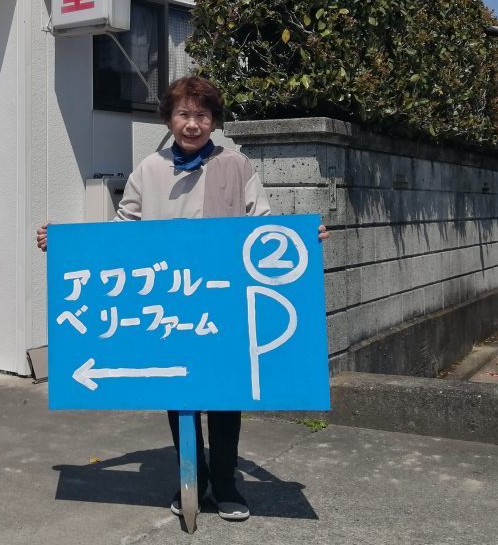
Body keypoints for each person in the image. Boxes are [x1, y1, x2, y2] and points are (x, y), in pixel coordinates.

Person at [37, 75, 327, 521]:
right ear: (170, 119)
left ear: (214, 120)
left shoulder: (236, 165)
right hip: (172, 304)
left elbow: (261, 224)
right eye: (184, 114)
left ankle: (227, 482)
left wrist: (302, 240)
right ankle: (193, 476)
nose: (193, 123)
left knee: (228, 394)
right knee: (178, 390)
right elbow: (122, 230)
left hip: (223, 299)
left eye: (202, 115)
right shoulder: (149, 169)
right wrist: (65, 245)